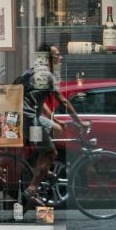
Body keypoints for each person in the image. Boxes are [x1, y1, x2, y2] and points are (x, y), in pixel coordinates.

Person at [14, 43, 88, 206]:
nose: (60, 57)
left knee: (56, 130)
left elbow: (40, 100)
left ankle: (42, 169)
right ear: (47, 57)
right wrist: (79, 122)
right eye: (56, 55)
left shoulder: (34, 71)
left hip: (28, 117)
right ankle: (32, 189)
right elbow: (63, 101)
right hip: (30, 120)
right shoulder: (45, 75)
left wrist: (54, 120)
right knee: (51, 152)